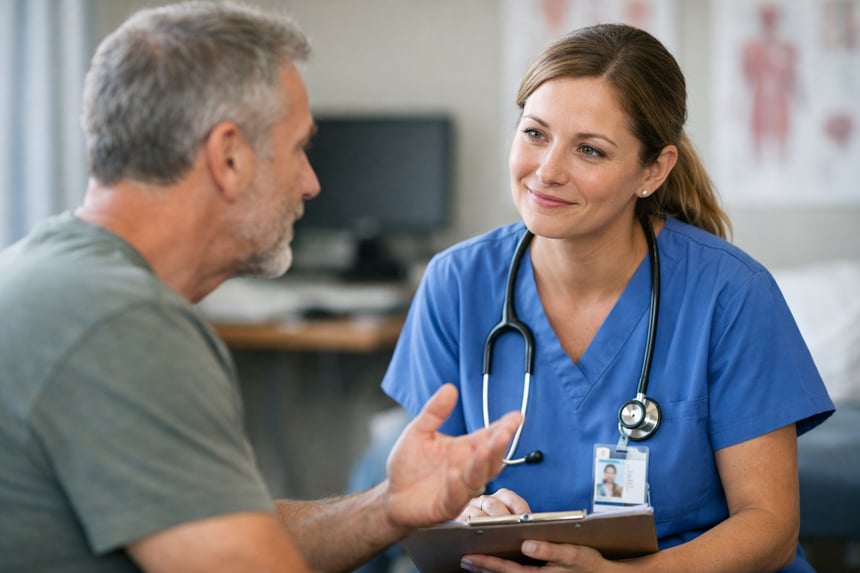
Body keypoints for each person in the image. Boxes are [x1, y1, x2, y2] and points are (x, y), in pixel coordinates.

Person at [0, 3, 524, 572]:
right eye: (300, 148)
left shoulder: (49, 273)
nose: (312, 182)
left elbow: (224, 531)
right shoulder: (122, 324)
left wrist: (389, 507)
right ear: (228, 157)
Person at [381, 23, 834, 572]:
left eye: (590, 150)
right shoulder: (457, 282)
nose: (547, 172)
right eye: (535, 133)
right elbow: (422, 507)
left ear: (653, 170)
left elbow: (770, 526)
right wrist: (468, 515)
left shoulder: (730, 294)